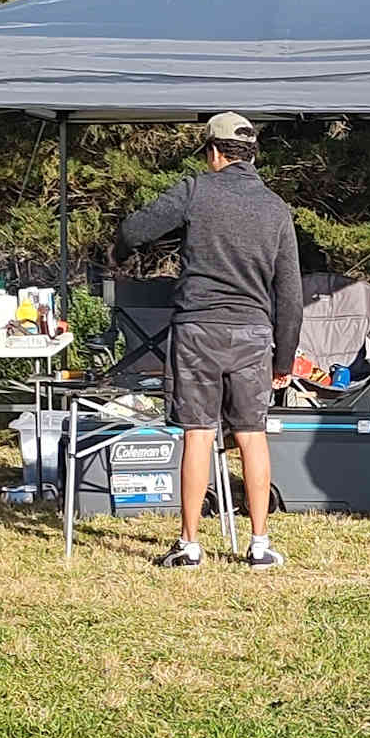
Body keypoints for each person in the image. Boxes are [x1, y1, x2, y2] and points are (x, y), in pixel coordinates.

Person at [120, 110, 304, 569]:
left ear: (215, 152)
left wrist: (127, 247)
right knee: (252, 434)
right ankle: (260, 544)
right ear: (252, 156)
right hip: (253, 334)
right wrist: (284, 360)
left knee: (198, 434)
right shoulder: (277, 208)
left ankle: (189, 544)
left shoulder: (196, 189)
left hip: (198, 329)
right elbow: (291, 295)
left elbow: (133, 230)